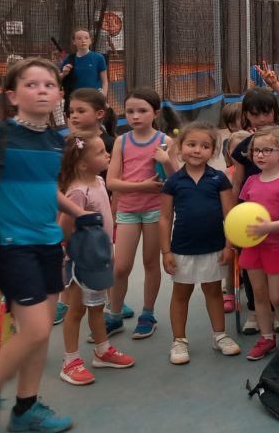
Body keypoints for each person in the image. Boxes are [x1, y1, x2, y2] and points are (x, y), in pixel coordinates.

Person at [0, 58, 87, 433]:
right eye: (31, 84)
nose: (41, 90)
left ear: (59, 95)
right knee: (34, 329)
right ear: (13, 95)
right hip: (8, 245)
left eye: (48, 85)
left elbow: (46, 189)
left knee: (38, 332)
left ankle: (26, 410)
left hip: (49, 243)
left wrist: (78, 214)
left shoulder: (55, 141)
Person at [159, 122, 240, 364]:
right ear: (180, 148)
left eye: (204, 146)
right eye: (191, 144)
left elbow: (230, 214)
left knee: (213, 291)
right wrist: (166, 251)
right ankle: (179, 341)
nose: (197, 150)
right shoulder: (173, 182)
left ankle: (219, 336)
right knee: (181, 293)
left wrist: (229, 245)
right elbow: (164, 218)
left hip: (215, 247)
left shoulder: (219, 179)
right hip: (182, 248)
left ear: (213, 151)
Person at [57, 131, 135, 386]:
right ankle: (70, 361)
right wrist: (76, 252)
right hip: (81, 261)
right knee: (76, 309)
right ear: (82, 163)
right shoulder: (77, 192)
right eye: (101, 152)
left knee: (97, 306)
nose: (108, 155)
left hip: (99, 257)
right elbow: (64, 227)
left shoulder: (98, 182)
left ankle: (102, 350)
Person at [106, 87, 175, 341]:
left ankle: (148, 314)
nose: (135, 116)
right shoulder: (121, 142)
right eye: (130, 111)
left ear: (155, 113)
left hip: (156, 212)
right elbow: (112, 182)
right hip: (128, 211)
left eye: (142, 111)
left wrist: (166, 160)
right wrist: (142, 187)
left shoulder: (166, 141)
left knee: (150, 262)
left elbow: (176, 178)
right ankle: (114, 315)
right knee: (121, 267)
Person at [238, 126, 279, 360]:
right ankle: (266, 338)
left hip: (276, 247)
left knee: (277, 297)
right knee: (259, 296)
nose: (260, 155)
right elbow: (242, 212)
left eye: (267, 150)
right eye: (256, 150)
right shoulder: (252, 181)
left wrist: (266, 228)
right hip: (252, 247)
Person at [229, 86, 279, 334]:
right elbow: (237, 182)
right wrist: (230, 213)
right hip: (247, 214)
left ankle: (276, 309)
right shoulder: (243, 149)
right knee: (250, 263)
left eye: (267, 112)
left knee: (274, 264)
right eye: (255, 114)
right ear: (246, 116)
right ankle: (254, 309)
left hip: (275, 214)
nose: (262, 119)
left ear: (275, 112)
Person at [59, 29, 109, 97]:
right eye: (79, 38)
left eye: (86, 38)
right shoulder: (69, 59)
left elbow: (105, 81)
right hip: (75, 98)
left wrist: (103, 96)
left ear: (90, 40)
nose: (83, 41)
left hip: (93, 97)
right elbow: (57, 79)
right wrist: (64, 74)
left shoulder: (98, 58)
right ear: (74, 41)